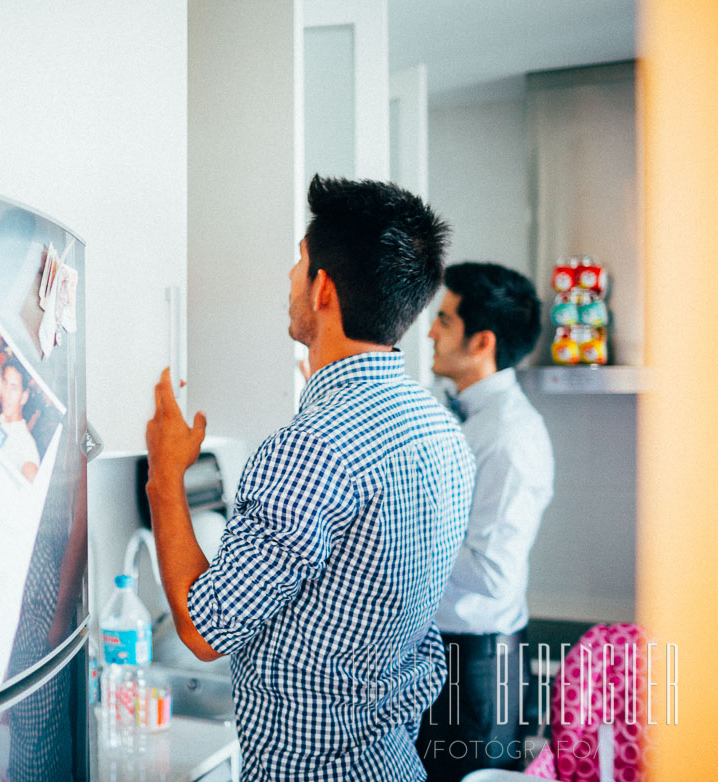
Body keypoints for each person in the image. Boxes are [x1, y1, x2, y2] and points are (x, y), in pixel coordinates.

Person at [145, 175, 476, 780]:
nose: (290, 281)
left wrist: (165, 477)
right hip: (395, 761)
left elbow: (203, 631)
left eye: (298, 264)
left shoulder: (311, 449)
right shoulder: (442, 430)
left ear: (322, 288)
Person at [416, 261, 554, 780]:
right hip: (441, 654)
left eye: (445, 320)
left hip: (475, 667)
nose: (429, 331)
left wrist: (402, 535)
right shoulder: (455, 412)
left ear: (482, 342)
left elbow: (491, 573)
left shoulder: (512, 440)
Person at [0, 359, 41, 482]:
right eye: (5, 384)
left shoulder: (25, 442)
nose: (6, 394)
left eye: (13, 388)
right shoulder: (1, 418)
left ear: (24, 397)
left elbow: (32, 475)